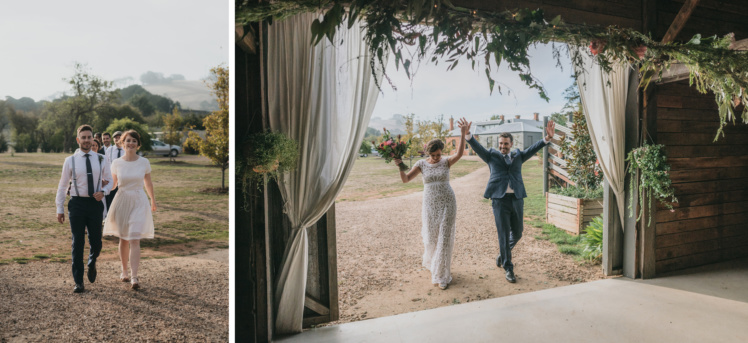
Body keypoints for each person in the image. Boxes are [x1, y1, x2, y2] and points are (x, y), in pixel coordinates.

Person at [466, 119, 555, 283]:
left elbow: (533, 148)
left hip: (517, 199)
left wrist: (547, 139)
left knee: (518, 232)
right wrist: (468, 135)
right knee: (504, 236)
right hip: (499, 201)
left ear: (511, 144)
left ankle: (502, 254)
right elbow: (478, 148)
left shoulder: (519, 155)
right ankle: (508, 268)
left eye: (506, 144)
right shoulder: (491, 155)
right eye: (500, 143)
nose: (502, 146)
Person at [393, 118, 470, 290]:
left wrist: (463, 133)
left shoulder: (446, 162)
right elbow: (405, 180)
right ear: (428, 153)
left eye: (438, 155)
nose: (436, 158)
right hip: (430, 205)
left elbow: (458, 154)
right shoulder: (421, 164)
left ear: (441, 152)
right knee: (432, 237)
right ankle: (435, 264)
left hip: (448, 202)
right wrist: (400, 166)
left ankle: (442, 275)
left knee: (444, 237)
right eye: (433, 155)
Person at [55, 124, 113, 293]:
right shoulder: (70, 160)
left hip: (95, 205)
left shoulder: (101, 159)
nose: (87, 140)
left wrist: (104, 192)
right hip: (77, 204)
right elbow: (62, 185)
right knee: (77, 242)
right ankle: (78, 281)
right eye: (84, 137)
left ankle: (92, 261)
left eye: (89, 137)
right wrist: (59, 208)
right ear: (78, 139)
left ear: (92, 139)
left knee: (96, 242)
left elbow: (109, 180)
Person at [103, 130, 157, 290]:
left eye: (134, 141)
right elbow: (112, 185)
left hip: (139, 201)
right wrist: (101, 185)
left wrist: (153, 199)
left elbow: (148, 183)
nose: (131, 143)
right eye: (128, 141)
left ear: (138, 144)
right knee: (123, 239)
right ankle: (124, 271)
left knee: (134, 238)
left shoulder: (144, 162)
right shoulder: (117, 163)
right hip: (122, 200)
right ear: (122, 143)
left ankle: (134, 276)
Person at [105, 131, 124, 211]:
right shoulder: (110, 149)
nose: (117, 139)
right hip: (112, 177)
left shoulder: (126, 149)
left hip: (123, 177)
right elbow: (106, 163)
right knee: (111, 199)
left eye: (119, 137)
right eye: (115, 137)